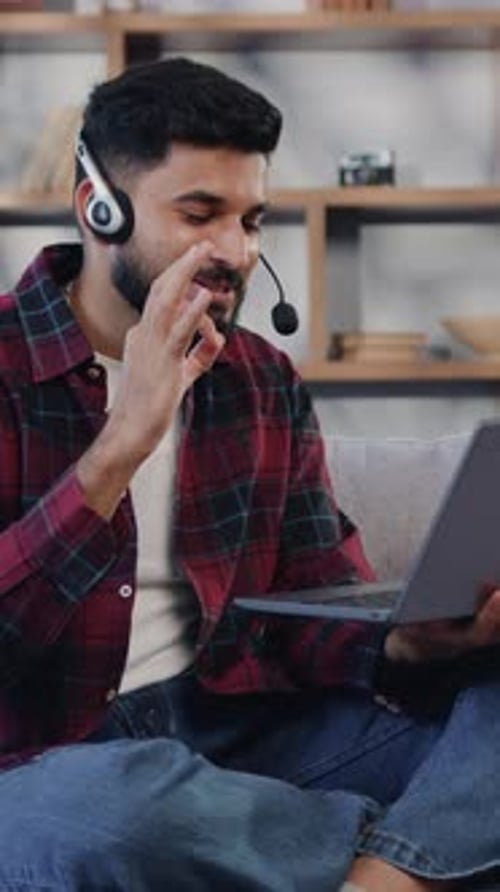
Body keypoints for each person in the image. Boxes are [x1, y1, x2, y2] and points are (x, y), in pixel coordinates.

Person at [1, 56, 500, 892]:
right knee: (103, 818)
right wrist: (122, 442)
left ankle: (384, 871)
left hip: (238, 734)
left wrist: (413, 643)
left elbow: (311, 604)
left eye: (251, 219)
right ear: (100, 207)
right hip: (54, 758)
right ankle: (429, 853)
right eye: (200, 214)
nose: (234, 250)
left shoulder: (258, 377)